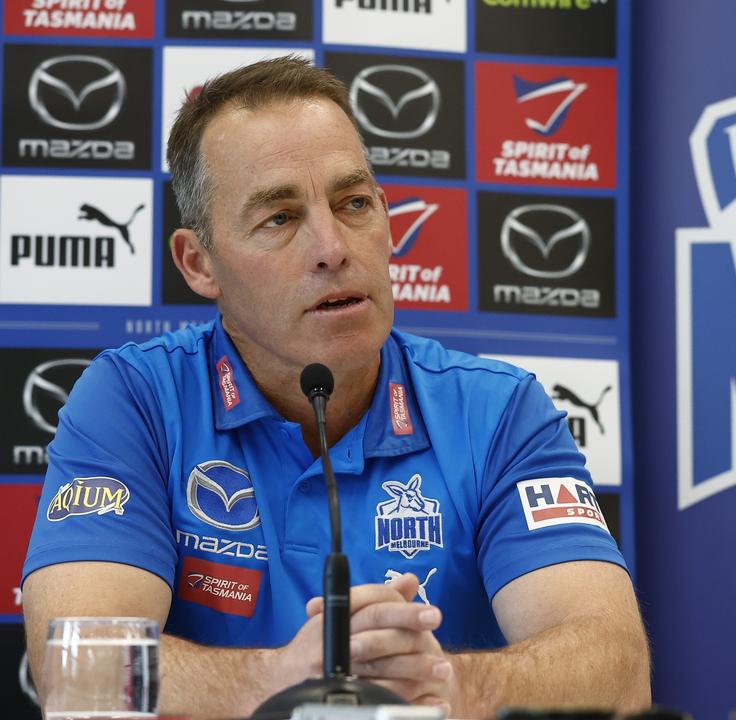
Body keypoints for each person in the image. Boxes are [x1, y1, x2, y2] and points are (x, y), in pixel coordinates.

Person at [21, 56, 650, 718]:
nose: (333, 247)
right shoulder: (134, 400)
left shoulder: (497, 411)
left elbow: (617, 669)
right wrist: (284, 676)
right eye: (281, 218)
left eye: (353, 204)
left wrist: (451, 685)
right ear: (199, 263)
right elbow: (77, 668)